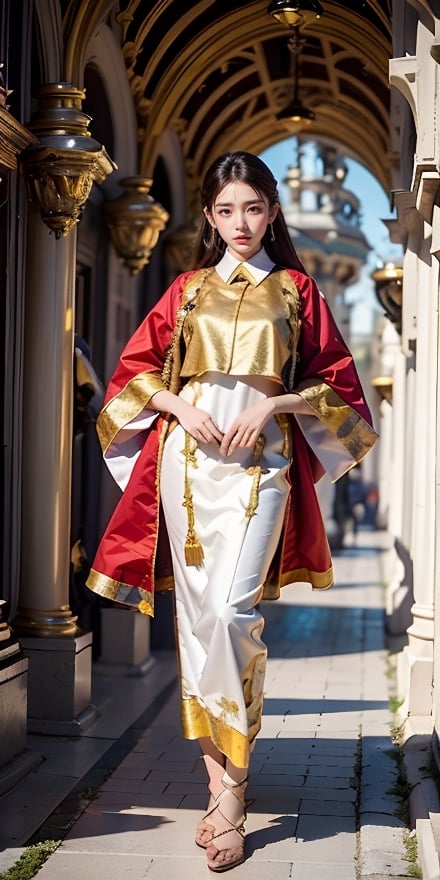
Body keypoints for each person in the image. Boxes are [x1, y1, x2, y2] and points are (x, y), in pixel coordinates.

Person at [86, 151, 378, 872]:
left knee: (230, 615)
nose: (240, 222)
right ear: (211, 219)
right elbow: (132, 375)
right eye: (226, 210)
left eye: (252, 208)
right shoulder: (185, 291)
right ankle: (222, 789)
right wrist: (180, 403)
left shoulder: (297, 292)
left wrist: (275, 401)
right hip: (188, 473)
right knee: (197, 621)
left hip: (262, 471)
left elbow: (341, 390)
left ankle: (236, 785)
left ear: (271, 212)